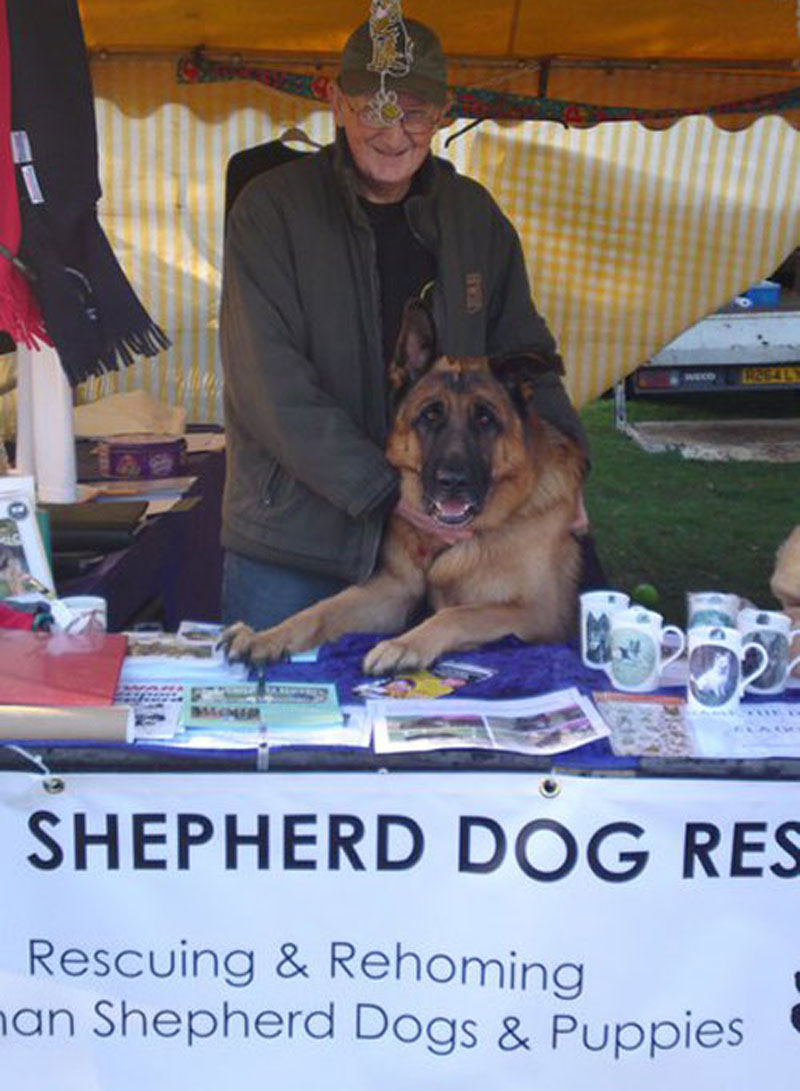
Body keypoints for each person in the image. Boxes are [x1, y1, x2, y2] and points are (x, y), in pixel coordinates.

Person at [219, 16, 596, 630]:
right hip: (297, 545)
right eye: (375, 108)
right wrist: (383, 489)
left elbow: (527, 358)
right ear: (336, 102)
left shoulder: (474, 217)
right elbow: (270, 389)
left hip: (447, 548)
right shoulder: (270, 213)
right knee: (276, 714)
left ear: (443, 115)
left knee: (441, 716)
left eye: (414, 113)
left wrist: (568, 463)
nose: (394, 134)